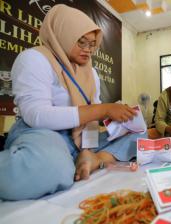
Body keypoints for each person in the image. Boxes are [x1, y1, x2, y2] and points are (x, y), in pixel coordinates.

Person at [0, 5, 146, 201]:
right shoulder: (34, 59)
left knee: (139, 132)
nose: (88, 50)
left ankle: (93, 159)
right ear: (62, 34)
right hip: (43, 134)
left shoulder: (90, 71)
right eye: (81, 42)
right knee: (50, 165)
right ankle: (65, 163)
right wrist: (102, 109)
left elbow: (91, 122)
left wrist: (88, 149)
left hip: (78, 139)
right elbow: (36, 115)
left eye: (93, 44)